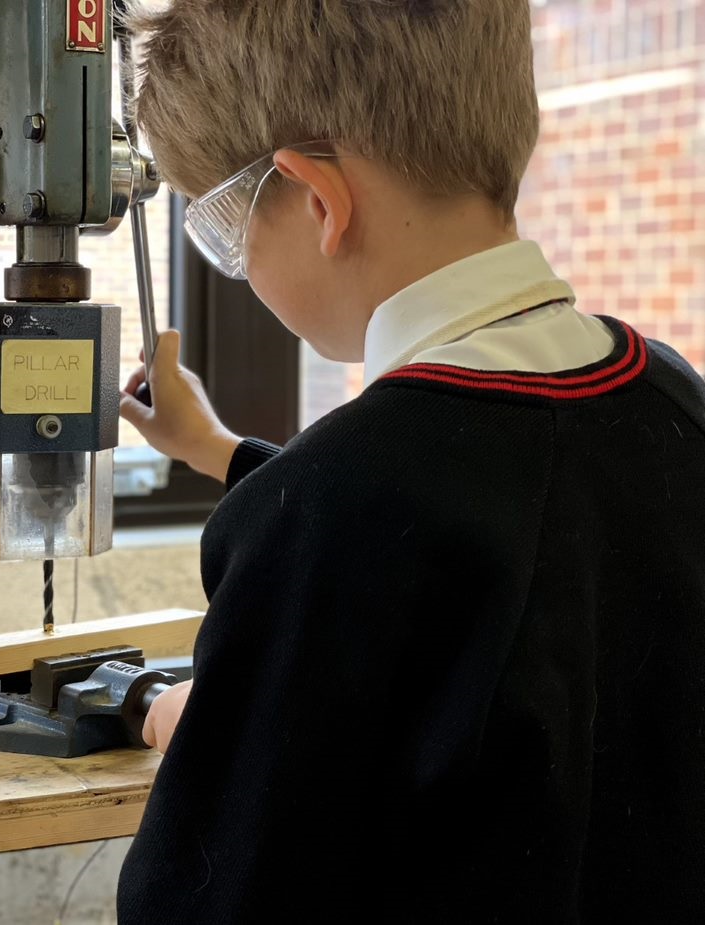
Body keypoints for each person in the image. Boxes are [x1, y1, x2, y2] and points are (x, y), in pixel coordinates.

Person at [114, 1, 705, 922]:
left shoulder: (318, 517)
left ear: (319, 202)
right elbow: (509, 538)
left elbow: (214, 900)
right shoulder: (670, 398)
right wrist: (221, 453)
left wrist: (205, 733)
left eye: (226, 232)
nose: (239, 266)